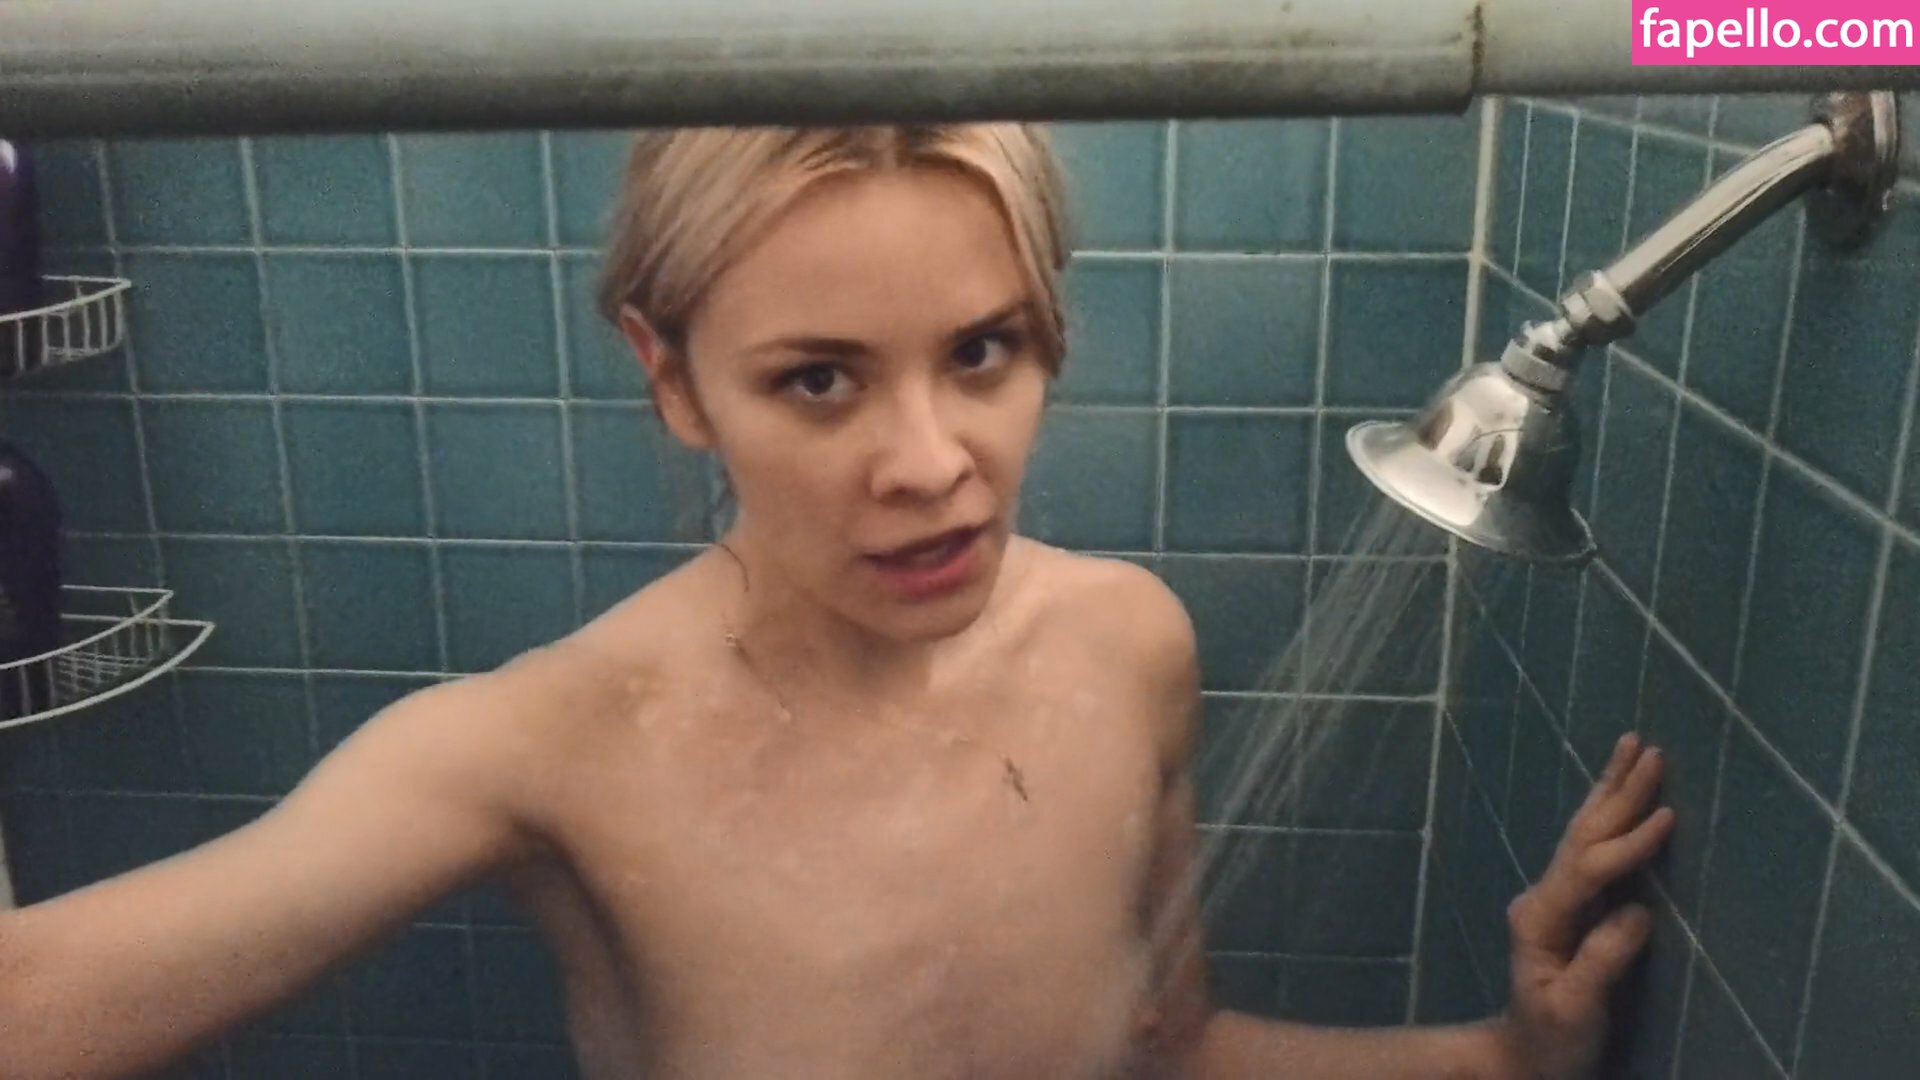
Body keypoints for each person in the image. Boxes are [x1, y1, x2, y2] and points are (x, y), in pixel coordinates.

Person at [0, 124, 1673, 1079]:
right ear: (672, 378)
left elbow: (1164, 1051)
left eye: (982, 352)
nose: (931, 464)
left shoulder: (1124, 644)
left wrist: (1499, 1056)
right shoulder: (545, 746)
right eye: (819, 379)